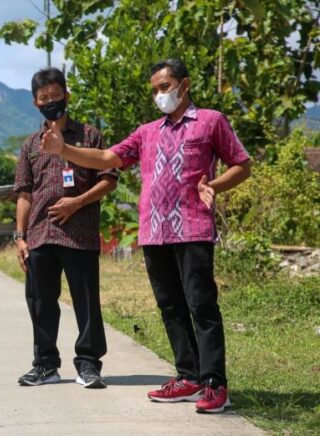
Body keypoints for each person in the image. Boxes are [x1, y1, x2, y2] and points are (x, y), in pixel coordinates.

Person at [41, 59, 251, 413]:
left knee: (201, 306)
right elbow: (107, 156)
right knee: (170, 307)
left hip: (192, 227)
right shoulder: (147, 131)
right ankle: (188, 377)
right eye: (154, 90)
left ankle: (215, 384)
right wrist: (64, 150)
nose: (159, 95)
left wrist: (213, 185)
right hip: (154, 232)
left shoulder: (211, 121)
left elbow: (241, 165)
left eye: (165, 87)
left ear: (184, 85)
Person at [14, 67, 118, 389]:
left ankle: (88, 365)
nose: (50, 102)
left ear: (67, 96)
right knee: (41, 303)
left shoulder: (89, 137)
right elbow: (24, 193)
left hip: (80, 234)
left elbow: (109, 180)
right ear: (35, 103)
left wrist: (77, 203)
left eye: (55, 96)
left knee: (86, 302)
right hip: (40, 235)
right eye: (43, 98)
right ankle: (45, 365)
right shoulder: (30, 144)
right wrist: (20, 236)